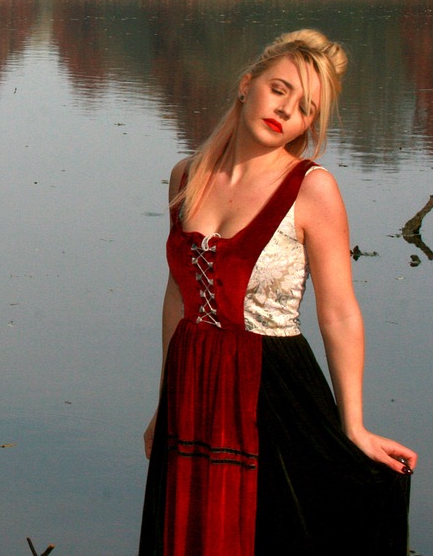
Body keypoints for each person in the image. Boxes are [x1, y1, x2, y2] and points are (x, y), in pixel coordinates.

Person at [138, 30, 416, 555]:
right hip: (192, 387)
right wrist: (161, 406)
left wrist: (352, 424)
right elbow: (178, 297)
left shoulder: (312, 188)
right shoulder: (186, 176)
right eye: (279, 89)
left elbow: (338, 313)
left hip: (271, 387)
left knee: (273, 535)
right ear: (247, 85)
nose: (286, 111)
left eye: (305, 107)